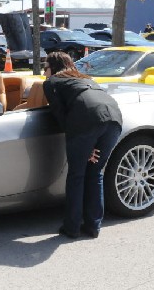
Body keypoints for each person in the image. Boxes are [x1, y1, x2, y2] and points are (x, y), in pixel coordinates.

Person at [42, 52, 123, 239]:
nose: (44, 71)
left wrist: (84, 145)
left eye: (46, 67)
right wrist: (88, 145)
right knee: (95, 173)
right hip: (115, 117)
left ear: (52, 68)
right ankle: (93, 226)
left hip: (86, 120)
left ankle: (71, 228)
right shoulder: (85, 78)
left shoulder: (51, 83)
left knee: (77, 175)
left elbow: (60, 116)